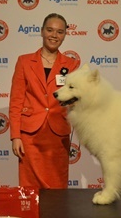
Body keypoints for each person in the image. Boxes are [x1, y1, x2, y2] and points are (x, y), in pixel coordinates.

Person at [9, 13, 80, 189]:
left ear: (64, 35)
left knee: (57, 185)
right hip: (29, 135)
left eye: (60, 32)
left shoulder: (72, 64)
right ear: (41, 31)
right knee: (29, 186)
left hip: (58, 135)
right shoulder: (24, 61)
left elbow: (77, 100)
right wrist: (16, 136)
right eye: (50, 30)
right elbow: (16, 100)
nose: (54, 35)